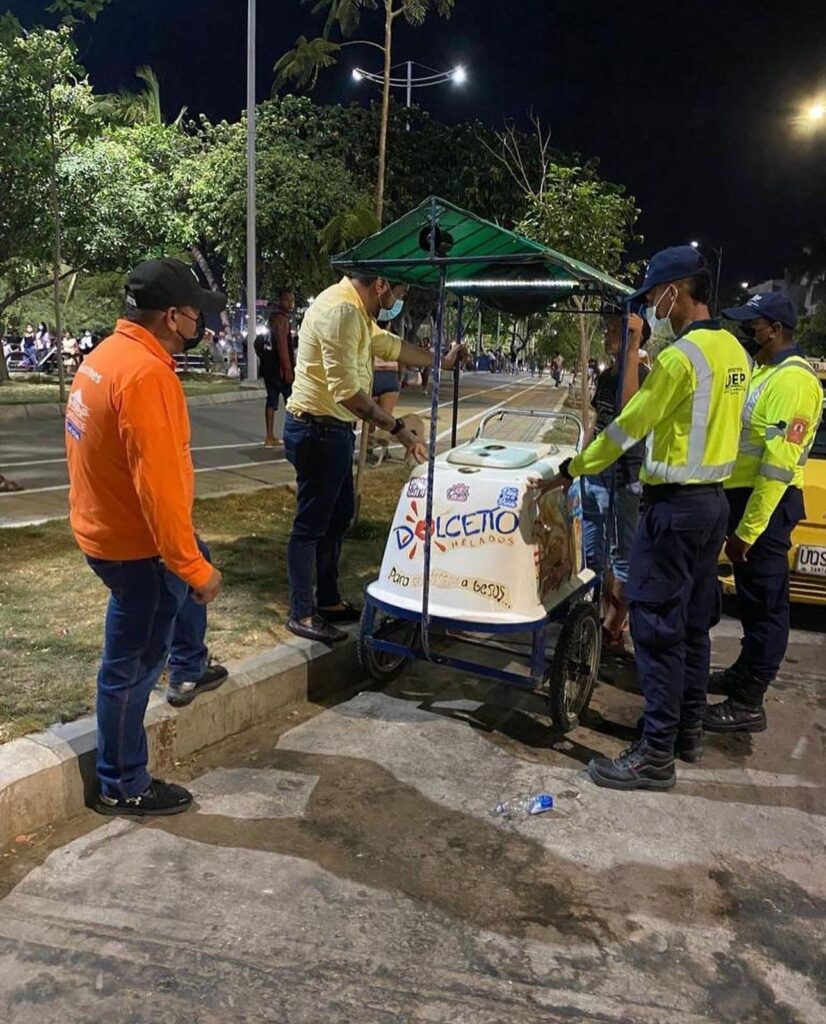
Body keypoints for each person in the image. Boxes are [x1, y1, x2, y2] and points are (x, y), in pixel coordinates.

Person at [535, 245, 750, 790]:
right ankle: (687, 731)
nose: (653, 303)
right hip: (713, 506)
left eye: (655, 293)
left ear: (674, 292)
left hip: (674, 509)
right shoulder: (735, 353)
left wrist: (572, 468)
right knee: (695, 625)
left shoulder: (681, 359)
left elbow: (627, 426)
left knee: (655, 629)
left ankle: (655, 754)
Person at [66, 258, 225, 817]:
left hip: (107, 532)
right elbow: (158, 488)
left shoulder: (104, 358)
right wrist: (193, 570)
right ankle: (123, 782)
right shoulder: (146, 375)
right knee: (129, 669)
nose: (199, 323)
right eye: (194, 314)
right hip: (139, 550)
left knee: (137, 645)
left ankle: (190, 662)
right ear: (171, 316)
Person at [284, 274, 462, 644]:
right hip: (318, 430)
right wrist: (398, 429)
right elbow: (348, 392)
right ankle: (302, 612)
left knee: (338, 516)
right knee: (310, 526)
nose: (398, 301)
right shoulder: (343, 311)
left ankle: (328, 600)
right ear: (381, 284)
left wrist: (440, 361)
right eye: (399, 292)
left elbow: (393, 347)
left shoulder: (358, 312)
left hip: (332, 431)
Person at [704, 293, 823, 734]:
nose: (747, 332)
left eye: (752, 325)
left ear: (773, 328)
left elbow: (776, 466)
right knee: (754, 604)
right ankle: (742, 673)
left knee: (769, 606)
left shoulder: (794, 381)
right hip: (746, 499)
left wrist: (748, 532)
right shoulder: (766, 372)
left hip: (766, 508)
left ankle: (749, 701)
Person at [581, 312, 647, 655]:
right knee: (593, 554)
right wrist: (580, 462)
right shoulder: (607, 376)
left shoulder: (644, 378)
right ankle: (596, 619)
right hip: (596, 477)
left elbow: (630, 416)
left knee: (622, 557)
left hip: (624, 480)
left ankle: (612, 627)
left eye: (615, 330)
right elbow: (597, 420)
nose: (607, 333)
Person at [256, 289, 296, 447]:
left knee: (271, 401)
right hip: (279, 369)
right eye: (287, 300)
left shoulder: (272, 319)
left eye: (292, 300)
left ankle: (270, 436)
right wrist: (288, 370)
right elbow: (282, 347)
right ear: (280, 301)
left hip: (269, 368)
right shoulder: (281, 320)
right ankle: (291, 436)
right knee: (292, 402)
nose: (290, 303)